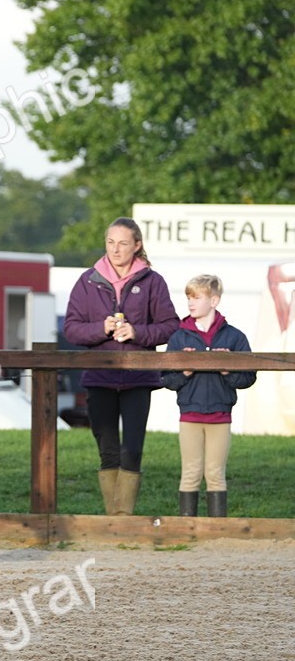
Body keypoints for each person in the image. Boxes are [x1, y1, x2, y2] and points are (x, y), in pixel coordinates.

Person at [63, 218, 179, 515]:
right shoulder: (87, 281)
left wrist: (137, 332)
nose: (116, 249)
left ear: (137, 245)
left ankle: (124, 516)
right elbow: (72, 329)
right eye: (111, 242)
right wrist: (100, 329)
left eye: (123, 243)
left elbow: (170, 327)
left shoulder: (153, 281)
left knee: (133, 449)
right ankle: (112, 518)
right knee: (108, 450)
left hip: (139, 377)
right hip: (98, 376)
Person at [160, 275, 256, 517]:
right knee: (190, 472)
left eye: (196, 297)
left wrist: (227, 370)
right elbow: (165, 379)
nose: (190, 303)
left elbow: (248, 377)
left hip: (221, 415)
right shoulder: (178, 338)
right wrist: (185, 371)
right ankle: (187, 526)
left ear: (214, 300)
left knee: (215, 473)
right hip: (189, 415)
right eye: (188, 297)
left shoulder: (235, 337)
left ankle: (217, 528)